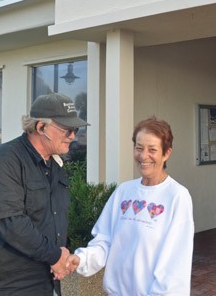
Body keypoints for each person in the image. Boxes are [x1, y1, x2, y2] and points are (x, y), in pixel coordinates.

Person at [0, 92, 88, 296]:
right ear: (41, 127)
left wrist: (60, 258)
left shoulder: (54, 164)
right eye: (67, 130)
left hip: (45, 282)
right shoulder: (3, 161)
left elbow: (53, 219)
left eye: (75, 130)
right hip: (4, 286)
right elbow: (10, 222)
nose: (73, 136)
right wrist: (55, 256)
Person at [67, 116, 194, 295]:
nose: (143, 156)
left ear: (166, 153)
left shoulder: (176, 196)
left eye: (152, 150)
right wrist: (81, 259)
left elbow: (175, 263)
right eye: (139, 148)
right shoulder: (124, 191)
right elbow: (104, 240)